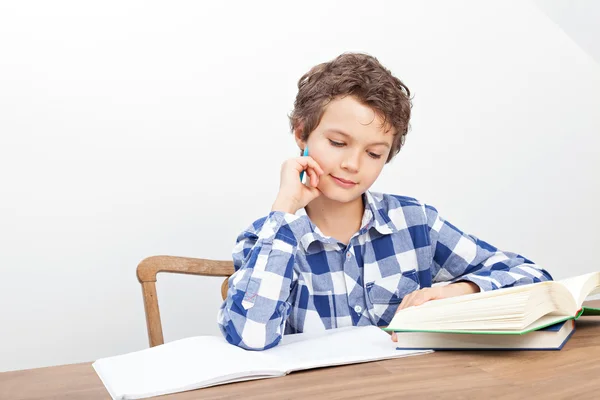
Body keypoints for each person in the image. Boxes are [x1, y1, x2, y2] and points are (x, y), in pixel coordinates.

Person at [217, 52, 552, 350]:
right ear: (302, 134)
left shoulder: (415, 223)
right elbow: (251, 336)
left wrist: (462, 290)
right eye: (337, 143)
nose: (353, 164)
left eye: (374, 153)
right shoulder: (269, 237)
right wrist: (285, 206)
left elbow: (532, 277)